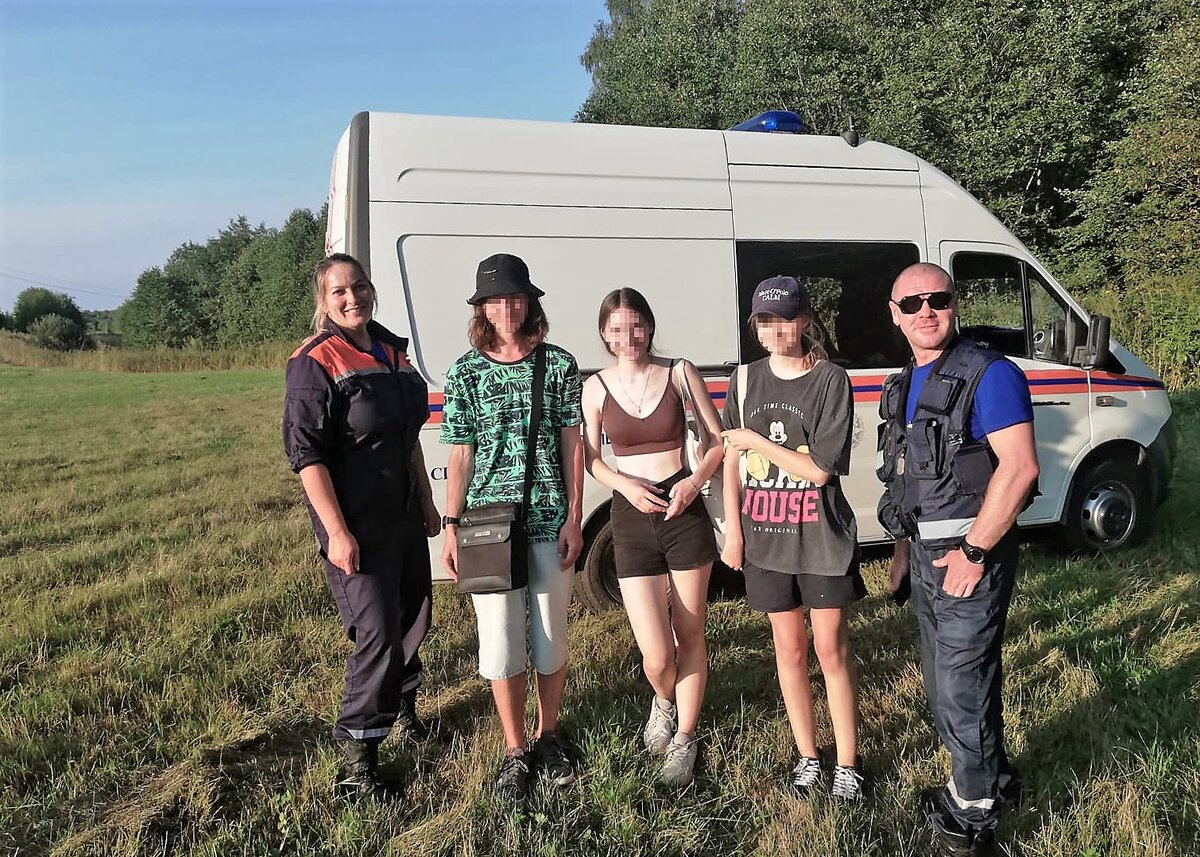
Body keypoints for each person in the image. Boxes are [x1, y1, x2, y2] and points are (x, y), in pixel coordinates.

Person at [877, 262, 1039, 856]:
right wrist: (902, 550)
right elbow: (910, 477)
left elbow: (1019, 469)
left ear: (955, 304)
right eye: (912, 303)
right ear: (895, 315)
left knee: (961, 686)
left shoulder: (990, 375)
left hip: (972, 557)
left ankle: (971, 819)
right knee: (946, 679)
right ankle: (992, 779)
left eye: (937, 300)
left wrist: (973, 552)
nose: (926, 312)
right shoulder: (906, 381)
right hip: (924, 556)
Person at [282, 252, 440, 800]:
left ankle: (406, 715)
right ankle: (358, 763)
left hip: (403, 514)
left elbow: (407, 436)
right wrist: (337, 532)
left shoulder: (392, 350)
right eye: (340, 291)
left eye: (360, 286)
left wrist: (426, 501)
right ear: (323, 302)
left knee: (413, 617)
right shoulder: (314, 360)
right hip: (356, 523)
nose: (354, 298)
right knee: (377, 635)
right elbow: (307, 456)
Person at [439, 253, 584, 803]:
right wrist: (451, 526)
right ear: (481, 308)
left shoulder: (559, 364)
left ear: (530, 303)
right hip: (487, 526)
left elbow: (572, 443)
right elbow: (460, 455)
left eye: (517, 297)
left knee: (550, 637)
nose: (508, 308)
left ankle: (549, 735)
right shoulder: (464, 372)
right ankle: (514, 749)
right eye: (497, 299)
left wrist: (574, 516)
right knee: (500, 640)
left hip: (548, 518)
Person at [720, 276, 867, 803]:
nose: (775, 331)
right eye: (764, 321)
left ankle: (848, 763)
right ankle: (808, 755)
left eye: (784, 320)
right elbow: (731, 463)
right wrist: (733, 531)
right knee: (788, 649)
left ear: (804, 321)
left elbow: (821, 470)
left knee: (831, 649)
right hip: (766, 540)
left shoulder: (830, 380)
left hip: (821, 539)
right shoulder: (744, 380)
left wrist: (756, 440)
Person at [580, 288, 724, 787]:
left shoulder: (680, 373)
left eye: (636, 325)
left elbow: (716, 440)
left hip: (684, 512)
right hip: (631, 516)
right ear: (604, 333)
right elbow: (592, 458)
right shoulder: (595, 387)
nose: (629, 337)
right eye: (617, 328)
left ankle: (685, 737)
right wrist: (625, 485)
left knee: (690, 631)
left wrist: (693, 483)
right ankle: (664, 698)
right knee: (657, 655)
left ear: (650, 326)